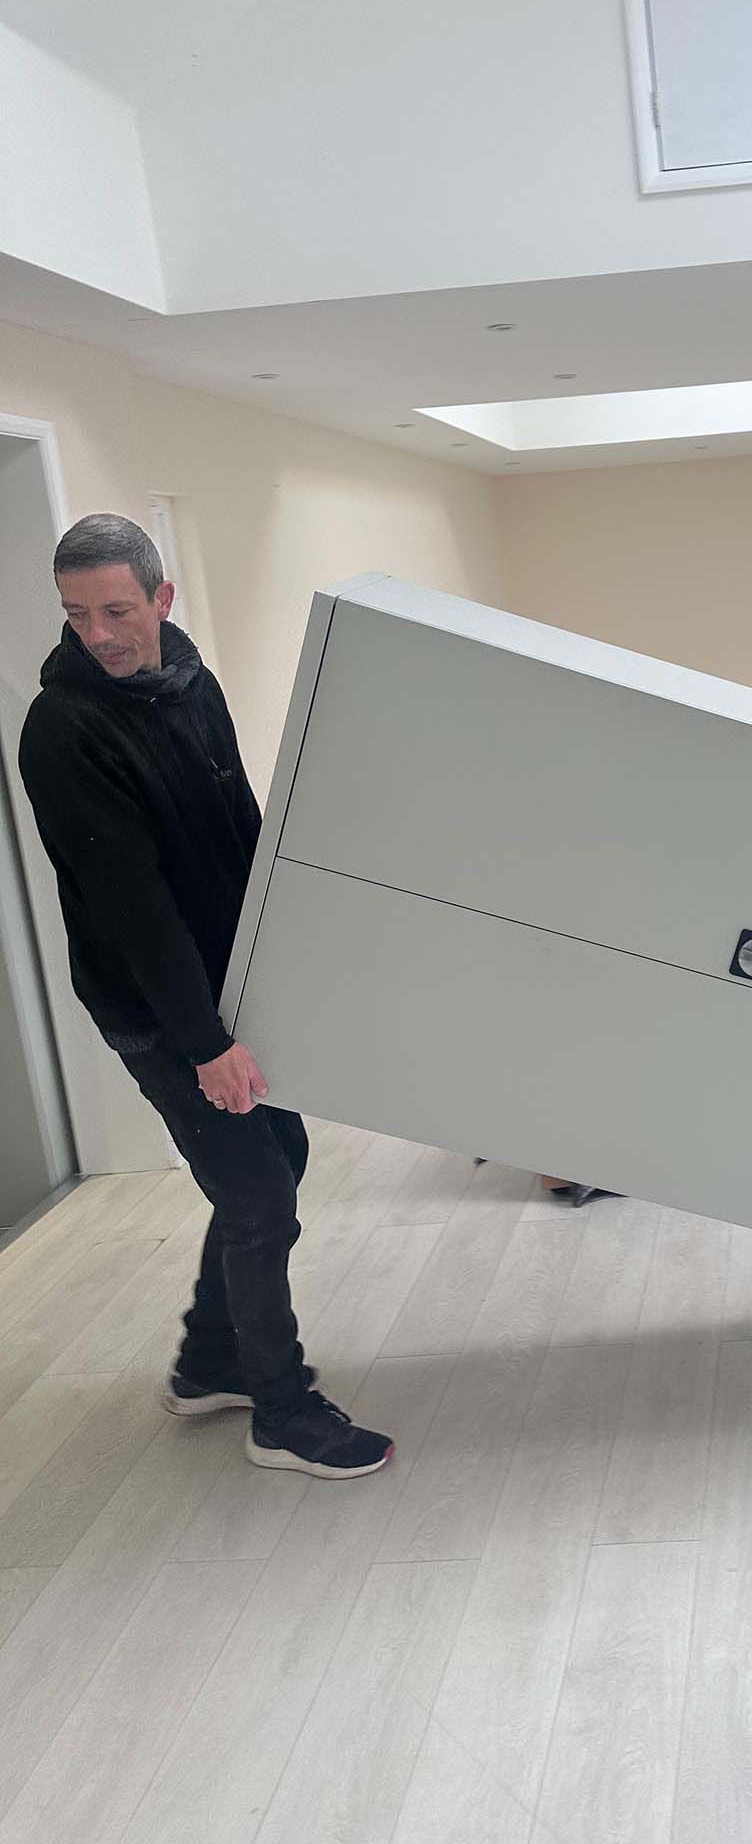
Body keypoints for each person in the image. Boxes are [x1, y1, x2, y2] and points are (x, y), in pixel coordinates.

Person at [18, 515, 393, 1477]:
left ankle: (207, 1362)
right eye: (75, 614)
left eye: (115, 610)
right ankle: (281, 1409)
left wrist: (291, 951)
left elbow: (239, 822)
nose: (97, 634)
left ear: (161, 599)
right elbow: (133, 907)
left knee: (282, 1155)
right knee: (258, 1192)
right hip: (158, 1008)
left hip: (232, 977)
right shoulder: (62, 730)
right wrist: (203, 1044)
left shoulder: (189, 678)